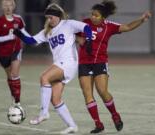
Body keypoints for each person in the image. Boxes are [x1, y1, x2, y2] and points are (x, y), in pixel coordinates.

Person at [13, 3, 92, 134]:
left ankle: (43, 113)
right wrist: (19, 33)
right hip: (60, 64)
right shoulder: (47, 32)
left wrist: (88, 40)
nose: (49, 20)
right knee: (55, 99)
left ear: (58, 16)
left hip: (68, 62)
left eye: (51, 17)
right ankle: (72, 126)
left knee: (44, 77)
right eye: (47, 18)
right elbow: (31, 41)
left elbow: (87, 27)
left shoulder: (68, 24)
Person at [77, 0, 151, 134]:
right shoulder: (83, 23)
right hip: (84, 63)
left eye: (96, 15)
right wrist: (78, 39)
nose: (93, 17)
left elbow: (127, 27)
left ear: (103, 18)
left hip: (100, 62)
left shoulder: (109, 26)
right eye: (92, 14)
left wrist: (142, 19)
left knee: (102, 92)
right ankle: (98, 124)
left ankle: (115, 115)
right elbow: (70, 32)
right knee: (87, 94)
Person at [0, 0, 29, 106]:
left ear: (13, 6)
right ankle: (13, 94)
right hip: (3, 54)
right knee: (10, 77)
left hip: (16, 50)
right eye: (5, 5)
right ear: (2, 7)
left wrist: (32, 39)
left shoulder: (18, 19)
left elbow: (23, 31)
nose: (8, 8)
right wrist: (8, 37)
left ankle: (17, 102)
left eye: (10, 5)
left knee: (14, 75)